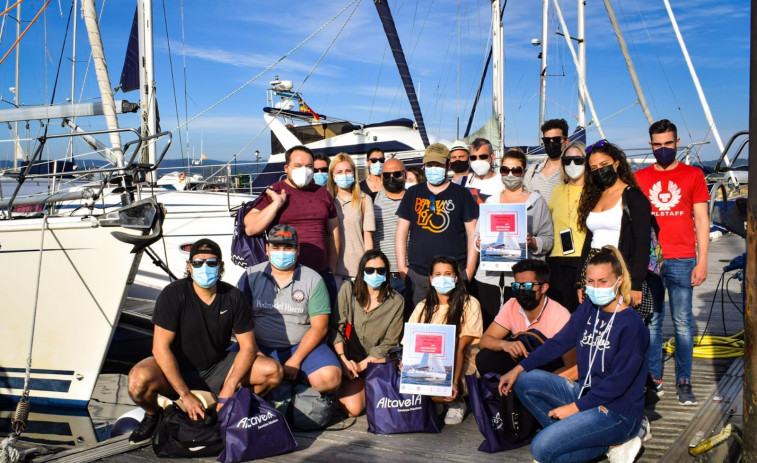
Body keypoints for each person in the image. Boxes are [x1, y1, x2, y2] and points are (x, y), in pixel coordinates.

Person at [499, 246, 648, 463]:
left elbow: (617, 384)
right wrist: (518, 368)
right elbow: (559, 342)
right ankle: (577, 437)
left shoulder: (632, 326)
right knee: (525, 380)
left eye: (603, 281)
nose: (596, 288)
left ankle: (616, 441)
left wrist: (573, 408)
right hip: (589, 395)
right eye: (591, 281)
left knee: (541, 449)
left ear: (619, 281)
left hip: (618, 412)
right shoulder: (590, 308)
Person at [127, 239, 283, 444]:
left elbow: (248, 347)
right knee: (138, 380)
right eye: (198, 263)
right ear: (189, 267)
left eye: (211, 263)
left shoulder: (233, 296)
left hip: (216, 367)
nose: (205, 267)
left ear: (220, 267)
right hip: (177, 367)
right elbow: (160, 348)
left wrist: (229, 386)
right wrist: (185, 394)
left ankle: (232, 407)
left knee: (273, 371)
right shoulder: (173, 294)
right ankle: (152, 415)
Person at [635, 119, 709, 405]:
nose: (663, 149)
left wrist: (702, 261)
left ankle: (684, 379)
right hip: (652, 261)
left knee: (682, 322)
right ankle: (654, 378)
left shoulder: (693, 175)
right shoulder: (640, 178)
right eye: (657, 144)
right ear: (650, 145)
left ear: (677, 143)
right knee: (652, 322)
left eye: (668, 143)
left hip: (682, 258)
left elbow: (702, 220)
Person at [240, 225, 341, 393]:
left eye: (288, 247)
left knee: (330, 378)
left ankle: (294, 385)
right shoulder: (251, 275)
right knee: (231, 373)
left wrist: (296, 360)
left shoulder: (313, 279)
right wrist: (255, 352)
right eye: (276, 247)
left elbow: (320, 327)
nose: (282, 252)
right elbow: (240, 321)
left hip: (300, 347)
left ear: (297, 249)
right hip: (258, 347)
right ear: (267, 249)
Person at [243, 145, 340, 306]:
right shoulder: (275, 191)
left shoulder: (323, 193)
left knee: (325, 323)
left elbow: (333, 233)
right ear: (287, 168)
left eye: (309, 166)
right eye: (298, 166)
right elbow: (251, 227)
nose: (305, 170)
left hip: (320, 272)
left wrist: (331, 268)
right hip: (284, 276)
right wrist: (276, 204)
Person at [473, 148, 554, 329]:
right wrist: (479, 243)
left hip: (521, 281)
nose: (510, 175)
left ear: (524, 172)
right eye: (505, 170)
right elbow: (477, 236)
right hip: (489, 279)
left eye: (516, 170)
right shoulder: (491, 201)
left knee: (520, 328)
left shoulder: (536, 201)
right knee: (489, 326)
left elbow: (548, 239)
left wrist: (532, 241)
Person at [395, 143, 479, 310]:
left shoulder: (462, 194)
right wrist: (402, 267)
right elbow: (401, 233)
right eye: (429, 165)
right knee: (419, 324)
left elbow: (473, 235)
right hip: (418, 274)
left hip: (454, 274)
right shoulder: (413, 193)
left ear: (447, 165)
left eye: (438, 165)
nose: (433, 169)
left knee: (454, 322)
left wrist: (469, 270)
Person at [575, 140, 652, 312]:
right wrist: (580, 280)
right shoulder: (594, 196)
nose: (599, 171)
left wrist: (636, 284)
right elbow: (589, 241)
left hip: (619, 267)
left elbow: (642, 244)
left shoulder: (633, 196)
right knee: (594, 320)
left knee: (620, 323)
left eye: (604, 165)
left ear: (616, 163)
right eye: (594, 168)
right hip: (593, 269)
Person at [408, 256, 483, 425]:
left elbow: (461, 348)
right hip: (430, 364)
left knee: (443, 391)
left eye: (448, 273)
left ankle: (456, 400)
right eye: (438, 274)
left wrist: (454, 382)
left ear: (456, 278)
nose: (443, 278)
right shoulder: (423, 307)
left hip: (462, 362)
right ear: (431, 279)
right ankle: (437, 399)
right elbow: (411, 345)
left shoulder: (470, 304)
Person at [329, 250, 405, 416]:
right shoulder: (347, 290)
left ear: (387, 273)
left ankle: (363, 388)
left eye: (381, 270)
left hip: (375, 361)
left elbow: (389, 343)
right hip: (348, 359)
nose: (375, 274)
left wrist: (362, 365)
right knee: (352, 409)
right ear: (362, 271)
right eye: (370, 270)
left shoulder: (396, 301)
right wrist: (343, 360)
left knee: (364, 407)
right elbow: (336, 328)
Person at [476, 259, 575, 378]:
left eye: (528, 286)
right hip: (521, 367)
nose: (521, 290)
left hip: (548, 373)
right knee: (485, 358)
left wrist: (545, 384)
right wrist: (504, 345)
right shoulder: (512, 305)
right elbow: (484, 341)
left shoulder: (560, 317)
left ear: (543, 288)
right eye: (517, 286)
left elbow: (572, 365)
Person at [547, 141, 588, 312]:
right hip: (557, 260)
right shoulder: (557, 190)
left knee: (583, 312)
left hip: (585, 260)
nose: (572, 164)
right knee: (561, 313)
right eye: (567, 160)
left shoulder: (595, 191)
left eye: (578, 160)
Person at [327, 153, 375, 288]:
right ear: (333, 175)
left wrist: (368, 265)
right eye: (339, 171)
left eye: (348, 171)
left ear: (354, 173)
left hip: (357, 266)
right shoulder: (326, 200)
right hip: (332, 266)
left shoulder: (365, 199)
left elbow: (368, 236)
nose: (344, 175)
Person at [372, 158, 407, 294]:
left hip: (411, 272)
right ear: (381, 176)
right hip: (383, 273)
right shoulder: (372, 199)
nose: (392, 178)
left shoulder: (415, 199)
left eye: (397, 174)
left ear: (405, 174)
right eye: (387, 175)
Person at [524, 118, 571, 205]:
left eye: (556, 140)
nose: (551, 143)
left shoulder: (571, 171)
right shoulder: (532, 171)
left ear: (567, 141)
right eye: (547, 140)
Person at [462, 138, 503, 204]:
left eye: (483, 157)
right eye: (473, 158)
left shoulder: (503, 182)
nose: (478, 161)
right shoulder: (462, 182)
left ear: (492, 158)